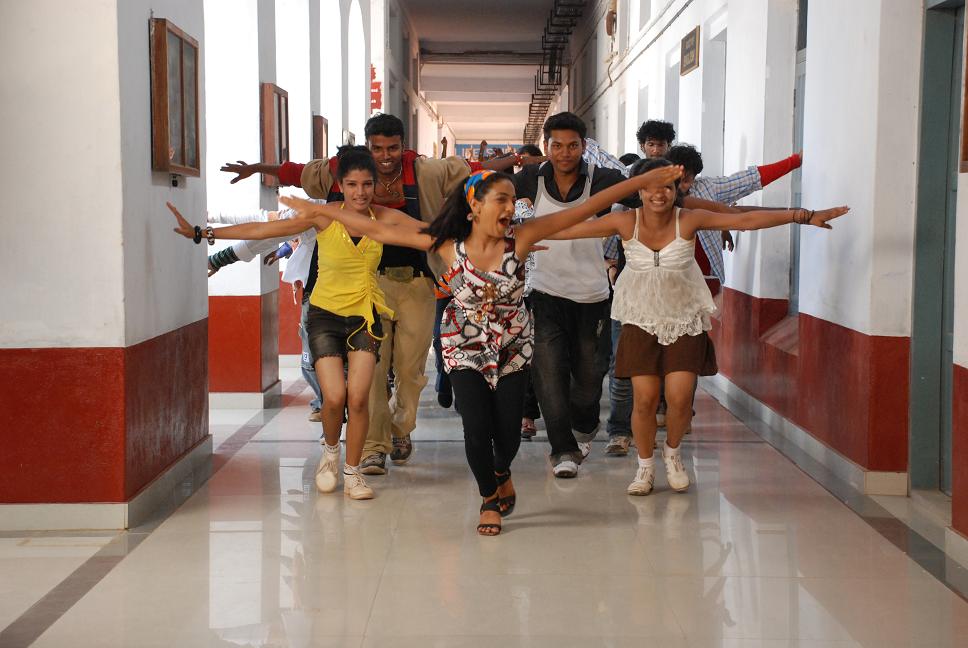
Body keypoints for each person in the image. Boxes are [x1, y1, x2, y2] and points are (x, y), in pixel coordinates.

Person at [279, 165, 684, 534]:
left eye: (512, 200)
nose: (510, 208)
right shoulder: (446, 244)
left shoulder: (521, 238)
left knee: (506, 434)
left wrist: (641, 181)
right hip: (463, 344)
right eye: (501, 200)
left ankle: (501, 470)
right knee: (475, 427)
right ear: (474, 206)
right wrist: (321, 211)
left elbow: (586, 208)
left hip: (512, 346)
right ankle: (489, 498)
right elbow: (380, 230)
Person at [221, 114, 517, 475]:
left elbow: (476, 172)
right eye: (378, 148)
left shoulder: (426, 171)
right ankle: (375, 446)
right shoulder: (348, 172)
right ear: (368, 146)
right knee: (373, 370)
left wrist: (517, 167)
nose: (385, 155)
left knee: (409, 370)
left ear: (402, 145)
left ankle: (401, 427)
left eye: (392, 148)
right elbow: (298, 173)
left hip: (418, 284)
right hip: (370, 286)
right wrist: (257, 168)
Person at [549, 157, 849, 495]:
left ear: (676, 190)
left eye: (667, 187)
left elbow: (745, 219)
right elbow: (571, 229)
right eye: (650, 187)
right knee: (644, 400)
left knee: (679, 399)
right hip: (640, 318)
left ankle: (672, 454)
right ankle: (645, 467)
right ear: (638, 190)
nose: (659, 194)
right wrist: (524, 233)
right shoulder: (625, 221)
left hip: (684, 319)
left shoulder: (689, 219)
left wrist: (803, 216)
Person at [169, 147, 401, 500]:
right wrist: (205, 233)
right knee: (334, 397)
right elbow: (267, 228)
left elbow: (424, 233)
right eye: (352, 184)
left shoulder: (381, 219)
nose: (360, 192)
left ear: (376, 185)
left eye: (367, 184)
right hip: (324, 313)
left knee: (358, 399)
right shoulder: (322, 215)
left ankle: (353, 473)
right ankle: (330, 453)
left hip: (365, 316)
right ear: (339, 185)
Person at [512, 112, 638, 478]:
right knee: (548, 373)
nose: (564, 153)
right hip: (544, 291)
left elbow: (645, 197)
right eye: (557, 145)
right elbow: (498, 206)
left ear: (584, 146)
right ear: (546, 146)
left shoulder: (602, 179)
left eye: (572, 146)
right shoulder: (529, 179)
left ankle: (584, 425)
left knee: (589, 378)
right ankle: (562, 449)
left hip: (592, 295)